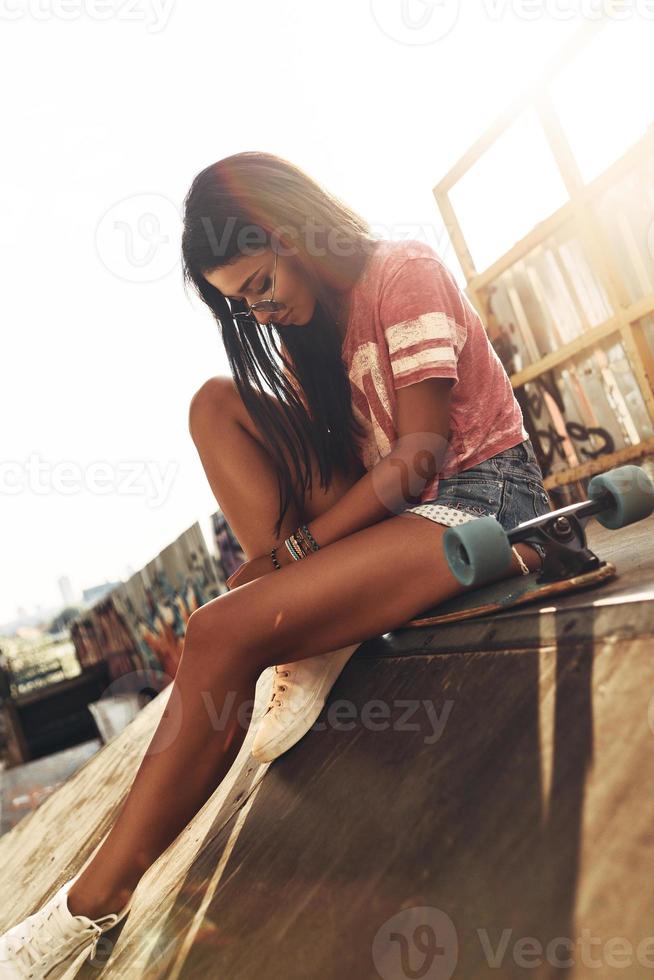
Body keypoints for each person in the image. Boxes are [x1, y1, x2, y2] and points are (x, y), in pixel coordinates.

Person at [0, 151, 551, 977]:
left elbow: (416, 458)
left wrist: (293, 557)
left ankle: (93, 900)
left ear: (293, 232)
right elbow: (341, 460)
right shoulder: (308, 327)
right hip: (392, 506)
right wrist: (287, 559)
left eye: (259, 285)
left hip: (478, 494)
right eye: (239, 304)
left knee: (220, 630)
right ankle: (308, 631)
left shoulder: (403, 271)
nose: (258, 311)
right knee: (214, 404)